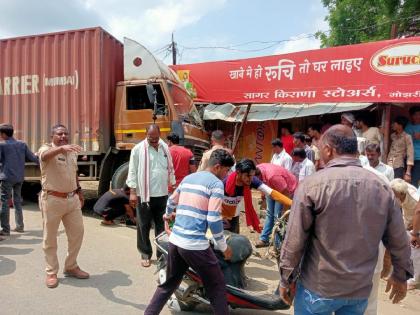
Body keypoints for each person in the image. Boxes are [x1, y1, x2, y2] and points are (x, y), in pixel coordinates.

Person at [279, 124, 413, 314]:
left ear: (328, 149)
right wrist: (400, 275)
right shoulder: (381, 187)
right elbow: (398, 238)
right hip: (358, 290)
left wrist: (286, 278)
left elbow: (295, 239)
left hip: (319, 288)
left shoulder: (312, 185)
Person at [144, 149, 235, 315]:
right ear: (217, 167)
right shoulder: (216, 184)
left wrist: (168, 218)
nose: (226, 174)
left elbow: (171, 201)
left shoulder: (188, 178)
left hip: (176, 242)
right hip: (194, 245)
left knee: (169, 284)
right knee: (217, 286)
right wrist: (223, 247)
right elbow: (214, 219)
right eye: (226, 170)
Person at [38, 124, 89, 288]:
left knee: (77, 233)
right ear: (52, 136)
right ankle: (51, 272)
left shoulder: (71, 152)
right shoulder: (46, 149)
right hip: (52, 199)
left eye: (66, 134)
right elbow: (44, 157)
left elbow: (74, 173)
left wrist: (79, 191)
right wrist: (61, 149)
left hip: (71, 199)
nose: (63, 136)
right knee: (50, 237)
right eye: (60, 134)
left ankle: (71, 266)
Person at [126, 125, 176, 268]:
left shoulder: (165, 148)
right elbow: (132, 171)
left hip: (162, 194)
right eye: (150, 138)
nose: (153, 141)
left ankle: (162, 254)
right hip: (144, 195)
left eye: (156, 138)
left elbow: (170, 167)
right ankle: (145, 254)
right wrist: (133, 192)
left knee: (162, 225)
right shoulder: (138, 150)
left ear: (160, 135)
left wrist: (172, 185)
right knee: (143, 225)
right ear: (145, 134)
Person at [222, 159, 292, 234]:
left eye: (252, 175)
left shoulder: (251, 181)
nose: (250, 179)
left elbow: (272, 193)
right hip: (221, 214)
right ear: (238, 172)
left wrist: (292, 203)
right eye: (248, 175)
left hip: (234, 214)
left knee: (234, 238)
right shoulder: (224, 183)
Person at [0, 124, 38, 238]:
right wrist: (42, 164)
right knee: (17, 201)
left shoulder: (2, 145)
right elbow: (33, 158)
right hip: (19, 177)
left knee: (5, 202)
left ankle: (6, 229)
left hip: (6, 177)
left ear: (4, 134)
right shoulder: (22, 144)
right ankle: (20, 226)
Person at [254, 163, 297, 248]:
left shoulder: (272, 176)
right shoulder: (256, 169)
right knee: (269, 214)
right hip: (271, 187)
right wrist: (263, 194)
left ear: (258, 177)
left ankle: (278, 244)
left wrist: (285, 207)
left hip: (284, 190)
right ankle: (264, 239)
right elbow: (260, 185)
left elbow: (284, 191)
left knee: (278, 217)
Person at [390, 179, 420, 290]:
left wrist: (415, 231)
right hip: (408, 221)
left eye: (395, 194)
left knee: (415, 248)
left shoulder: (414, 199)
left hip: (417, 225)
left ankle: (415, 280)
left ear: (402, 194)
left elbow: (418, 212)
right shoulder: (398, 189)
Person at [388, 116, 414, 181]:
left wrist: (408, 172)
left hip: (398, 165)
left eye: (394, 123)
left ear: (400, 125)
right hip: (389, 164)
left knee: (396, 185)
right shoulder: (392, 136)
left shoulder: (407, 137)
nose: (392, 125)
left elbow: (410, 154)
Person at [405, 106, 420, 186]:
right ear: (411, 116)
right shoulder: (408, 127)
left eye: (419, 114)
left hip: (419, 158)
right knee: (408, 181)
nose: (418, 116)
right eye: (415, 115)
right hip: (409, 158)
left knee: (415, 181)